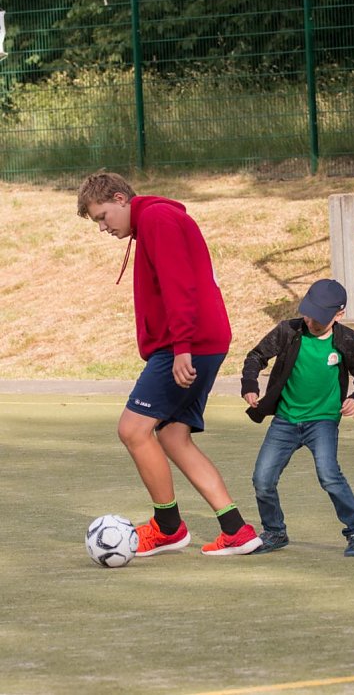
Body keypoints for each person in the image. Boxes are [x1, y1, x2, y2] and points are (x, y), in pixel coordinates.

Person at [77, 171, 262, 556]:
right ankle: (236, 530)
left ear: (119, 198)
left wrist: (181, 348)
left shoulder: (158, 220)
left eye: (102, 217)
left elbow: (181, 286)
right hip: (199, 341)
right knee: (173, 436)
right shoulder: (154, 221)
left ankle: (168, 527)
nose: (102, 227)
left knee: (132, 429)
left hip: (188, 343)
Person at [241, 279, 354, 557]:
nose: (311, 320)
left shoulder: (347, 339)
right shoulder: (288, 331)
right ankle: (275, 532)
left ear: (338, 315)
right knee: (262, 479)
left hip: (323, 421)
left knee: (329, 476)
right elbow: (255, 357)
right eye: (308, 312)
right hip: (285, 421)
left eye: (319, 317)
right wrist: (250, 385)